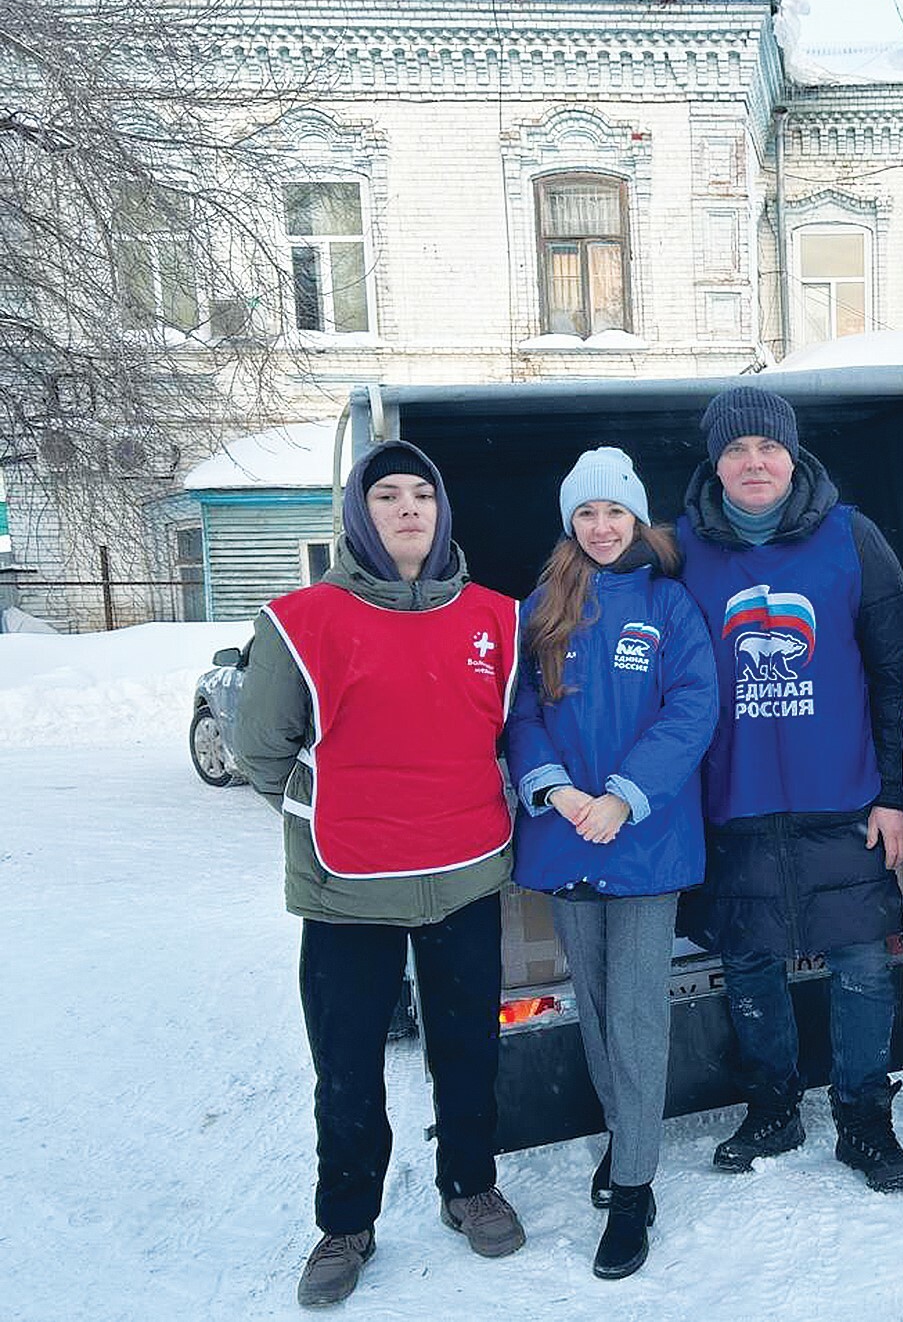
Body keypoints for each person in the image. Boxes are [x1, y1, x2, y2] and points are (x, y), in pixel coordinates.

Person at [235, 440, 526, 1308]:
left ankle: (470, 1187)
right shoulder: (300, 621)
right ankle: (346, 1223)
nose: (408, 509)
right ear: (360, 515)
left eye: (422, 496)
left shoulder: (496, 618)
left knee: (469, 1049)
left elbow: (510, 737)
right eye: (388, 495)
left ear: (442, 513)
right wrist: (339, 806)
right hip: (347, 887)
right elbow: (261, 750)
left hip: (466, 873)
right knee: (348, 1065)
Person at [674, 385, 903, 1192]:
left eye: (768, 447)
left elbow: (895, 673)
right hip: (733, 800)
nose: (754, 462)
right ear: (716, 464)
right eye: (737, 449)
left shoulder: (853, 537)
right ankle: (772, 1109)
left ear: (792, 455)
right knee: (748, 963)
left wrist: (895, 793)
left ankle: (863, 1119)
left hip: (843, 799)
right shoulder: (680, 548)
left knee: (861, 963)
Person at [505, 447, 717, 1279]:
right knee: (592, 1010)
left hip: (643, 838)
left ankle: (634, 1185)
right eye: (587, 513)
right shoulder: (544, 605)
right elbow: (521, 713)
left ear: (637, 519)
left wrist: (624, 797)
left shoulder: (668, 603)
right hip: (567, 833)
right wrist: (557, 790)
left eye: (615, 512)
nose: (601, 527)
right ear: (572, 522)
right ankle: (624, 1139)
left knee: (635, 1014)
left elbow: (692, 708)